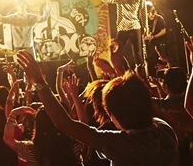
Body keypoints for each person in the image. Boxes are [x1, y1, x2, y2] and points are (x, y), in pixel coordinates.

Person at [15, 50, 179, 166]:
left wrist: (39, 82)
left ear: (113, 116)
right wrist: (120, 69)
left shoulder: (122, 144)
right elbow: (134, 96)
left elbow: (65, 124)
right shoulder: (165, 130)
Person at [102, 0, 148, 69]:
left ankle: (140, 72)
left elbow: (143, 11)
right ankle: (126, 71)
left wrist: (145, 26)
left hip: (135, 26)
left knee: (138, 53)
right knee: (116, 52)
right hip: (122, 27)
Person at [145, 2, 169, 73]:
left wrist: (154, 37)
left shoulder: (159, 18)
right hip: (150, 45)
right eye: (147, 13)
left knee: (161, 59)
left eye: (149, 12)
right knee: (150, 60)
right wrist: (145, 37)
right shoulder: (145, 19)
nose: (149, 15)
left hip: (159, 43)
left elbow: (164, 31)